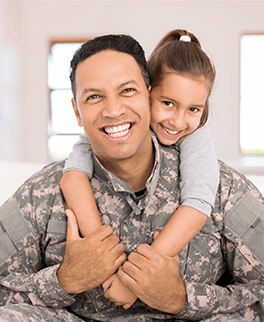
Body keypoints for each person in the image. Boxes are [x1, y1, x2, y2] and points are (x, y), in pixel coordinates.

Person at [0, 33, 263, 322]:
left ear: (148, 94)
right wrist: (63, 280)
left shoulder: (222, 188)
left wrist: (182, 299)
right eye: (94, 96)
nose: (113, 110)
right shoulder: (41, 194)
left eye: (126, 91)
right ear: (77, 111)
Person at [60, 29, 219, 309]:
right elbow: (72, 179)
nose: (178, 121)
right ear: (149, 96)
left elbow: (198, 201)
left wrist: (136, 279)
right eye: (167, 103)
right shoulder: (105, 134)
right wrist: (104, 262)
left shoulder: (194, 136)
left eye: (194, 109)